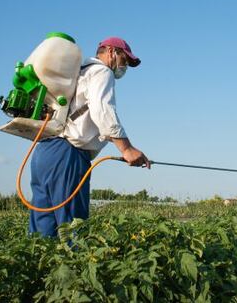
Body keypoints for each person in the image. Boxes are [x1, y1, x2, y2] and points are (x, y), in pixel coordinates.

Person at [29, 37, 150, 237]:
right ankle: (74, 268)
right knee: (74, 230)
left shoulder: (78, 72)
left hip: (44, 151)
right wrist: (127, 149)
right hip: (68, 155)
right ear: (111, 52)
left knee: (42, 230)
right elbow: (102, 110)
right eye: (124, 59)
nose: (125, 66)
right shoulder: (102, 71)